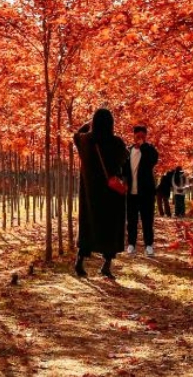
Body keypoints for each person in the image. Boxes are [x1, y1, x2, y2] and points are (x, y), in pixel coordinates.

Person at [73, 108, 128, 279]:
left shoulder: (85, 141)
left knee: (88, 225)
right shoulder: (117, 142)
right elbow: (123, 158)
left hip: (90, 195)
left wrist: (89, 124)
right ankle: (106, 265)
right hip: (111, 195)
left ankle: (80, 262)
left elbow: (76, 134)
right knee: (110, 228)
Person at [125, 125, 159, 256]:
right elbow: (123, 168)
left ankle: (149, 245)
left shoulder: (150, 150)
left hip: (146, 193)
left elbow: (152, 161)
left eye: (142, 136)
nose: (139, 138)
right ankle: (131, 244)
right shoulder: (128, 151)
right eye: (137, 136)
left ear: (146, 136)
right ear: (133, 136)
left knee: (147, 220)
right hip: (131, 192)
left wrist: (143, 146)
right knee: (131, 220)